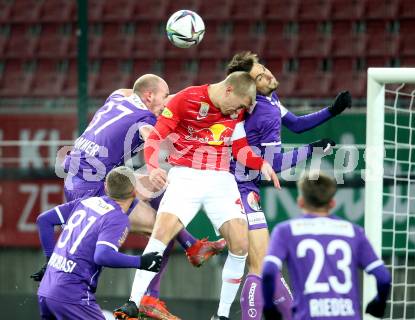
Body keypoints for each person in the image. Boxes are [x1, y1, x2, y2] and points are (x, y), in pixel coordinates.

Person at [31, 74, 226, 319]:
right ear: (149, 96)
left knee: (159, 191)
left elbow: (130, 90)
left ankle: (192, 246)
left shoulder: (117, 98)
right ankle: (149, 297)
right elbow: (150, 137)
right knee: (160, 230)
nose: (167, 102)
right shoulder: (144, 120)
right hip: (94, 189)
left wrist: (192, 95)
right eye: (164, 97)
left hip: (82, 178)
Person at [121, 71, 280, 320]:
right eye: (237, 105)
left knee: (240, 245)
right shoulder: (186, 99)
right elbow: (155, 137)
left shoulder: (235, 110)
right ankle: (133, 302)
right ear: (228, 90)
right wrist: (153, 169)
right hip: (186, 176)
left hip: (221, 180)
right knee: (160, 235)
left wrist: (261, 164)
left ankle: (222, 315)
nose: (235, 112)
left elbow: (239, 149)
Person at [221, 51, 350, 320]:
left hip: (244, 185)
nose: (268, 74)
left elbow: (297, 124)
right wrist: (312, 150)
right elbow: (274, 165)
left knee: (266, 265)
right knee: (258, 267)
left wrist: (333, 111)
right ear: (250, 87)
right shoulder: (263, 112)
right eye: (260, 76)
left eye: (264, 68)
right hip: (236, 187)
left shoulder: (269, 99)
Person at [36, 166, 163, 320]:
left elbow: (44, 220)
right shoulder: (117, 217)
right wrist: (141, 261)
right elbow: (103, 255)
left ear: (105, 187)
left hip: (47, 288)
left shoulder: (85, 202)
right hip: (72, 295)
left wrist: (50, 260)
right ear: (134, 192)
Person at [262, 171, 392, 320]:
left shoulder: (285, 231)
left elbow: (268, 272)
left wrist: (269, 308)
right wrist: (379, 303)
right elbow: (384, 278)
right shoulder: (354, 232)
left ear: (301, 202)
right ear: (332, 203)